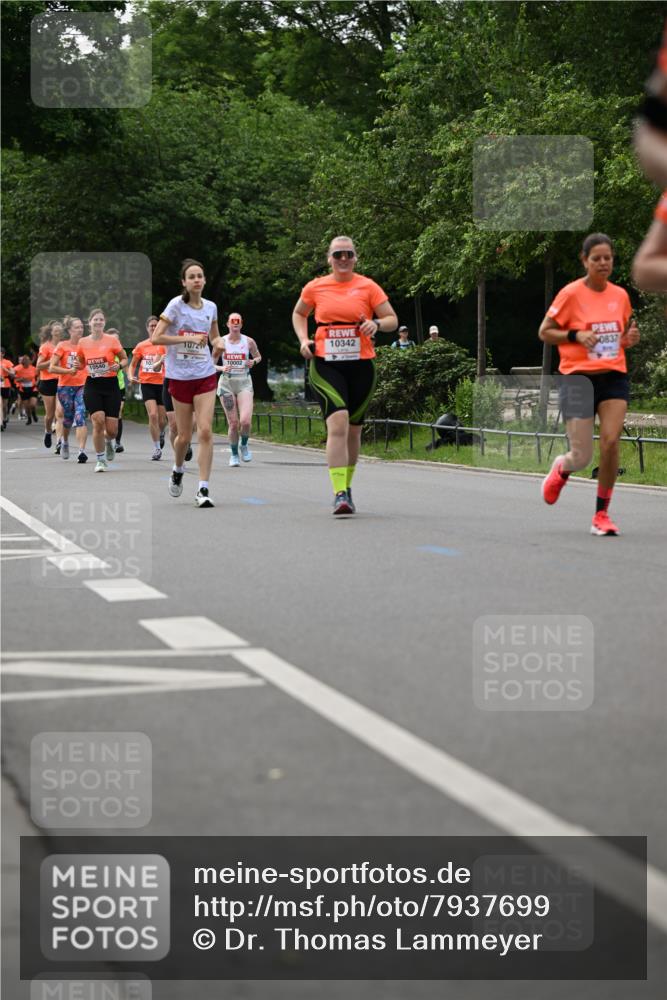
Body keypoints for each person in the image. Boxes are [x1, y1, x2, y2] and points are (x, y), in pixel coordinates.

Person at [538, 233, 640, 536]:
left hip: (613, 377)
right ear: (585, 261)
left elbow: (617, 338)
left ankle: (601, 515)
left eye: (608, 257)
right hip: (578, 379)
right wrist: (575, 336)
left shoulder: (620, 296)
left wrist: (627, 341)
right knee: (582, 456)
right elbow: (545, 331)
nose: (603, 263)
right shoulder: (570, 294)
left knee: (610, 443)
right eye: (597, 258)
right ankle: (562, 467)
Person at [292, 235, 398, 514]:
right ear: (329, 258)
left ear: (355, 258)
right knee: (337, 421)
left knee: (353, 430)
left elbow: (392, 320)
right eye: (337, 254)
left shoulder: (368, 286)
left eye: (348, 254)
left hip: (362, 364)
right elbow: (299, 314)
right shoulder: (316, 287)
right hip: (326, 363)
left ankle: (346, 488)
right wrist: (304, 340)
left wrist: (376, 323)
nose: (343, 259)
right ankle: (339, 493)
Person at [151, 258, 219, 507]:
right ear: (184, 282)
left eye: (200, 275)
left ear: (204, 279)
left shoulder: (211, 307)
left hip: (205, 375)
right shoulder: (175, 306)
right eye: (192, 276)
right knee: (182, 436)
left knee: (206, 430)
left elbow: (214, 337)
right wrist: (185, 339)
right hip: (179, 377)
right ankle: (178, 469)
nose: (197, 280)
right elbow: (157, 338)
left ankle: (203, 489)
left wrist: (220, 344)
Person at [74, 309, 129, 472]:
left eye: (101, 320)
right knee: (98, 421)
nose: (98, 322)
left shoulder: (112, 341)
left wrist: (119, 365)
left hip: (111, 385)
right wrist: (79, 366)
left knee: (112, 430)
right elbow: (81, 363)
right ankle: (100, 459)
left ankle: (108, 441)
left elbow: (125, 359)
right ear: (89, 322)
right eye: (95, 319)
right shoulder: (83, 342)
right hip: (93, 385)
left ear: (104, 322)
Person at [212, 312, 261, 466]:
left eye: (237, 321)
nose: (235, 324)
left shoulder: (249, 341)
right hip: (227, 383)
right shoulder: (221, 342)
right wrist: (221, 367)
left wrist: (254, 361)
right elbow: (210, 364)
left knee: (245, 421)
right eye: (232, 322)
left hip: (244, 382)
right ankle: (233, 454)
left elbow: (258, 357)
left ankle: (244, 445)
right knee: (233, 423)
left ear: (241, 324)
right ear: (227, 324)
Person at [49, 315, 89, 462]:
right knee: (67, 418)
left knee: (81, 415)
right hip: (65, 386)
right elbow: (52, 367)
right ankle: (64, 442)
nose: (80, 329)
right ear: (70, 330)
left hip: (83, 385)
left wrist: (85, 367)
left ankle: (81, 451)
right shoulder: (62, 346)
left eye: (82, 327)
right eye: (77, 327)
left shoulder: (86, 344)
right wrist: (68, 371)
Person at [128, 316, 167, 460]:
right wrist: (130, 376)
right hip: (146, 383)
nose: (154, 327)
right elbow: (132, 364)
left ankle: (161, 432)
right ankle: (157, 448)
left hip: (162, 384)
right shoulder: (141, 345)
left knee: (162, 420)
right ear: (147, 328)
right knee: (152, 415)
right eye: (151, 325)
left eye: (156, 325)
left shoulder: (165, 344)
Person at [36, 321, 63, 448]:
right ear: (51, 332)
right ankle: (47, 431)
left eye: (60, 330)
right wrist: (51, 362)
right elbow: (39, 365)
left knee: (60, 412)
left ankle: (59, 441)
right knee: (50, 415)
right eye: (55, 330)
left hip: (61, 380)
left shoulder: (64, 345)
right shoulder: (45, 347)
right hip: (47, 382)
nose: (58, 332)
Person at [12, 355, 39, 425]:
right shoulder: (18, 368)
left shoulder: (33, 368)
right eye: (25, 364)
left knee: (32, 404)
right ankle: (29, 418)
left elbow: (39, 375)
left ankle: (34, 414)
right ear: (22, 363)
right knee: (27, 406)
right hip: (23, 389)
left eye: (28, 363)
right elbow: (13, 376)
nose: (26, 365)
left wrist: (37, 382)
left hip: (33, 388)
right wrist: (20, 379)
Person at [1, 348, 16, 430]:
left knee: (4, 405)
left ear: (3, 354)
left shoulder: (7, 362)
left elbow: (13, 373)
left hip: (5, 384)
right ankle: (1, 420)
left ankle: (5, 417)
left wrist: (5, 369)